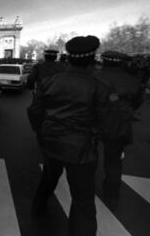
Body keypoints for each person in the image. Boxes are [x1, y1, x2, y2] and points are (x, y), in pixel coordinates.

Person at [28, 36, 110, 236]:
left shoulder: (50, 81)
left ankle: (37, 207)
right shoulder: (99, 86)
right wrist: (98, 136)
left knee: (49, 176)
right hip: (81, 147)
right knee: (83, 201)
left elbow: (34, 111)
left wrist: (41, 132)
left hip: (51, 140)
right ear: (92, 59)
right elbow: (105, 120)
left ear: (68, 58)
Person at [96, 51, 143, 210]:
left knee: (87, 157)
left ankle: (84, 188)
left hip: (93, 121)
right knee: (114, 162)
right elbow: (137, 103)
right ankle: (112, 196)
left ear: (104, 61)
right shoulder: (132, 80)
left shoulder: (94, 76)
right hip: (118, 123)